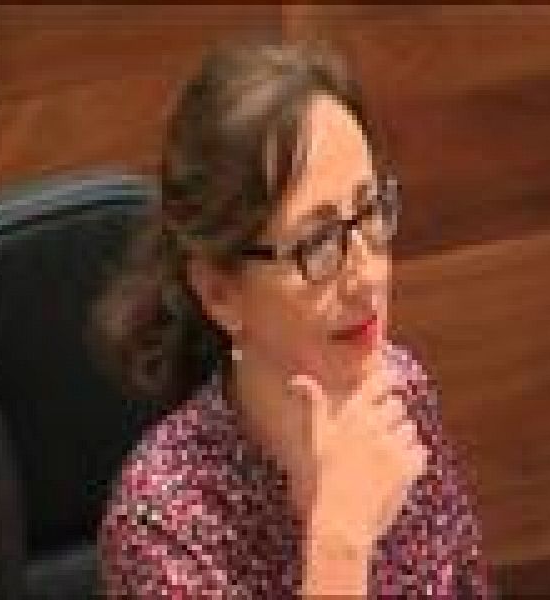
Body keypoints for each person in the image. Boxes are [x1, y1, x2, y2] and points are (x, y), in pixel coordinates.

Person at [93, 39, 490, 598]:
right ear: (219, 293)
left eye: (369, 211)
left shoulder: (397, 393)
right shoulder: (160, 526)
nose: (366, 278)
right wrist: (339, 541)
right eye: (317, 243)